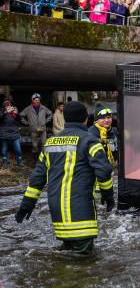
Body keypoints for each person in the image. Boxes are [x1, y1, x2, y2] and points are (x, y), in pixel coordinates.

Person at [14, 101, 114, 255]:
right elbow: (104, 171)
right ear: (86, 119)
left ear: (66, 119)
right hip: (81, 214)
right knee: (84, 264)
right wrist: (108, 196)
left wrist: (27, 204)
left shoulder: (50, 143)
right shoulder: (90, 140)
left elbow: (37, 179)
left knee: (67, 257)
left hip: (58, 215)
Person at [1, 100, 22, 167]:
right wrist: (5, 113)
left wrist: (17, 114)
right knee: (4, 150)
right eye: (7, 105)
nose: (8, 106)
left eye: (9, 105)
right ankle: (5, 163)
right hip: (4, 134)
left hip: (15, 133)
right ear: (4, 106)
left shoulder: (14, 112)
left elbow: (19, 121)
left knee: (18, 149)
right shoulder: (2, 112)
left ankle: (18, 162)